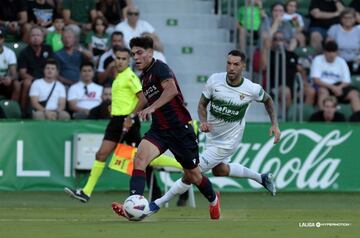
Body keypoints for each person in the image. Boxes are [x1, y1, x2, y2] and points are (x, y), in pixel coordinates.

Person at [145, 50, 281, 215]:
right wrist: (203, 121)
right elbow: (202, 105)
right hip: (212, 137)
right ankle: (261, 178)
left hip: (229, 141)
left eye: (236, 64)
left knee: (192, 172)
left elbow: (268, 100)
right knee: (219, 170)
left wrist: (274, 124)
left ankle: (155, 205)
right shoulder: (215, 80)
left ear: (243, 66)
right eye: (229, 63)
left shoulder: (251, 88)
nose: (231, 67)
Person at [111, 36, 221, 220]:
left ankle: (213, 200)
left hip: (180, 128)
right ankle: (133, 204)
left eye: (139, 53)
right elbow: (144, 99)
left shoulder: (160, 67)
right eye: (133, 54)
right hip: (159, 130)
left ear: (150, 53)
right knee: (139, 159)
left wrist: (153, 107)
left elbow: (171, 90)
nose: (136, 57)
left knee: (193, 175)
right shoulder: (143, 77)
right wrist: (131, 115)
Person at [64, 47, 146, 202]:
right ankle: (86, 192)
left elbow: (143, 99)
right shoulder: (118, 76)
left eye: (123, 59)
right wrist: (113, 107)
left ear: (129, 61)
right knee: (101, 154)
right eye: (118, 58)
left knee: (143, 159)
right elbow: (125, 98)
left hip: (128, 122)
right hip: (116, 121)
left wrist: (131, 117)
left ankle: (181, 167)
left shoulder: (130, 77)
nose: (120, 61)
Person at [311, 40, 360, 113]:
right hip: (324, 86)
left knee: (354, 93)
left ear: (337, 53)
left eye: (333, 52)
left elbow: (347, 81)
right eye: (329, 52)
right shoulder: (318, 60)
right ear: (324, 52)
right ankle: (322, 116)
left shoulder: (341, 61)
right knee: (323, 92)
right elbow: (316, 80)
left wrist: (338, 88)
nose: (331, 54)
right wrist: (333, 87)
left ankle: (357, 118)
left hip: (339, 86)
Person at [18, 26, 54, 114]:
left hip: (47, 77)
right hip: (31, 78)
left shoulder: (48, 49)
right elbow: (22, 73)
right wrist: (36, 81)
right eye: (33, 35)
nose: (36, 37)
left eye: (38, 35)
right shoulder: (24, 53)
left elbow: (53, 66)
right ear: (29, 38)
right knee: (27, 83)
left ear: (42, 38)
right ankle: (23, 111)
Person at [327, 8, 360, 74]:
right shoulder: (334, 29)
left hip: (356, 61)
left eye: (350, 18)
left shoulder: (358, 30)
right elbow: (329, 48)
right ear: (341, 19)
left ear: (354, 19)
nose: (348, 20)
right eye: (345, 18)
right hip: (338, 60)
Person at [0, 30, 20, 102]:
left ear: (3, 39)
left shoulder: (9, 53)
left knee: (16, 84)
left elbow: (14, 73)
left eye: (0, 38)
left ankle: (12, 109)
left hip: (5, 82)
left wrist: (10, 78)